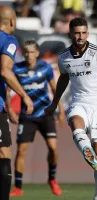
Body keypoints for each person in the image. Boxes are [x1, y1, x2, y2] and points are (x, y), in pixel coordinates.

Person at [44, 17, 97, 200]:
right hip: (79, 103)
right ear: (70, 34)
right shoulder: (64, 57)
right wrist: (54, 102)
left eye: (83, 33)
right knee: (75, 122)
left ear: (87, 33)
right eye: (76, 33)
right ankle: (84, 148)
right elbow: (63, 79)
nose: (80, 36)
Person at [8, 40, 65, 196]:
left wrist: (61, 110)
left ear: (37, 53)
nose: (28, 55)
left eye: (32, 52)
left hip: (46, 114)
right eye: (26, 52)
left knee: (53, 149)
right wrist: (10, 110)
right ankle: (18, 187)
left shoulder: (45, 68)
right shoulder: (17, 69)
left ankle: (52, 179)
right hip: (27, 116)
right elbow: (7, 90)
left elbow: (55, 89)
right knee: (21, 151)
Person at [0, 5, 33, 200]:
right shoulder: (8, 40)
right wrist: (24, 95)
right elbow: (5, 70)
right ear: (12, 20)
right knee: (4, 153)